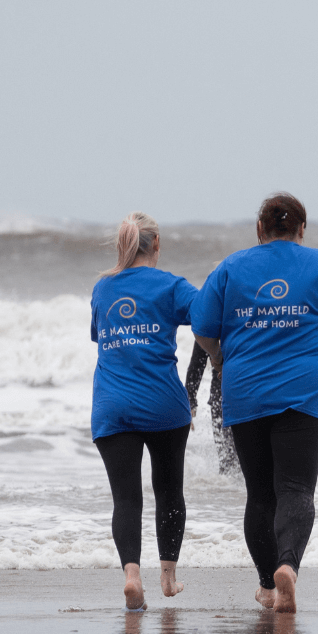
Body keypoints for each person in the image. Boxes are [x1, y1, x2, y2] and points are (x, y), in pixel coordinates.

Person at [190, 193, 318, 613]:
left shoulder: (231, 267)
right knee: (296, 489)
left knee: (260, 494)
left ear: (259, 230)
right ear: (302, 229)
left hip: (245, 390)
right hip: (305, 392)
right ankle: (289, 566)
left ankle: (268, 584)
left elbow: (201, 326)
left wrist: (219, 359)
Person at [90, 212, 198, 611]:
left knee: (126, 499)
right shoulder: (171, 286)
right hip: (164, 406)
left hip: (111, 407)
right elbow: (205, 317)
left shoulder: (103, 289)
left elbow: (98, 336)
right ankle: (168, 577)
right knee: (169, 490)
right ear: (156, 244)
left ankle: (131, 575)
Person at [182, 343, 238, 473]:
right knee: (232, 463)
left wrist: (189, 401)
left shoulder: (213, 323)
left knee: (230, 462)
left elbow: (197, 363)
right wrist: (189, 401)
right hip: (227, 397)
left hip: (224, 397)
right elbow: (198, 362)